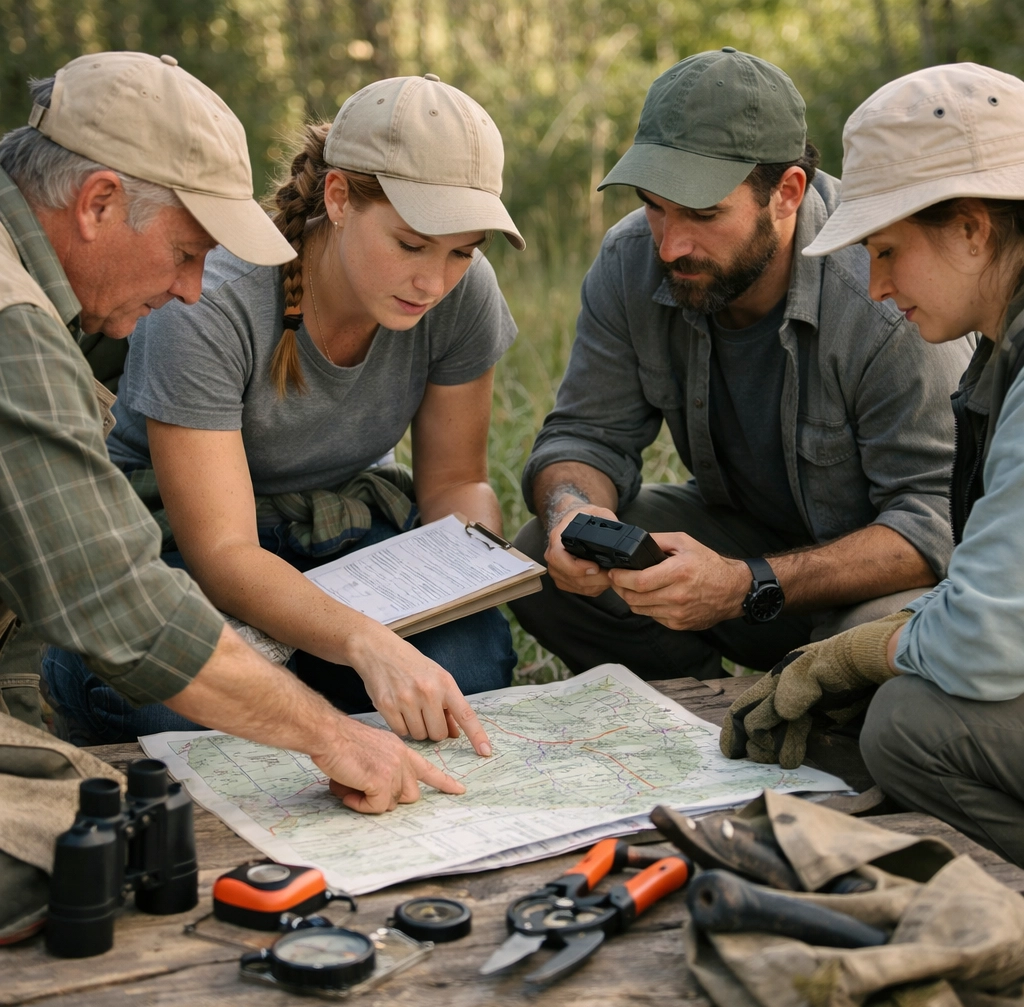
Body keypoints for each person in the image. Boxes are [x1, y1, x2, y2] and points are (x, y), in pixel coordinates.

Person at [0, 52, 473, 813]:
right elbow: (121, 605)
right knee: (68, 858)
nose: (190, 288)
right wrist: (331, 735)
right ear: (98, 204)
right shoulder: (15, 330)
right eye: (186, 253)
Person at [511, 48, 972, 682]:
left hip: (869, 585)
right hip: (740, 545)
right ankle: (707, 720)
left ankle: (821, 728)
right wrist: (572, 514)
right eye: (654, 205)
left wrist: (745, 584)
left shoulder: (887, 293)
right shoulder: (630, 260)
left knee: (896, 637)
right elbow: (584, 436)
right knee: (540, 557)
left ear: (787, 192)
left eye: (703, 215)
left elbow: (939, 523)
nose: (670, 244)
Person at [721, 62, 1024, 868]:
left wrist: (858, 653)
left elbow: (990, 642)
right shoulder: (1004, 349)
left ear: (971, 229)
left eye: (887, 250)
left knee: (909, 726)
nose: (878, 287)